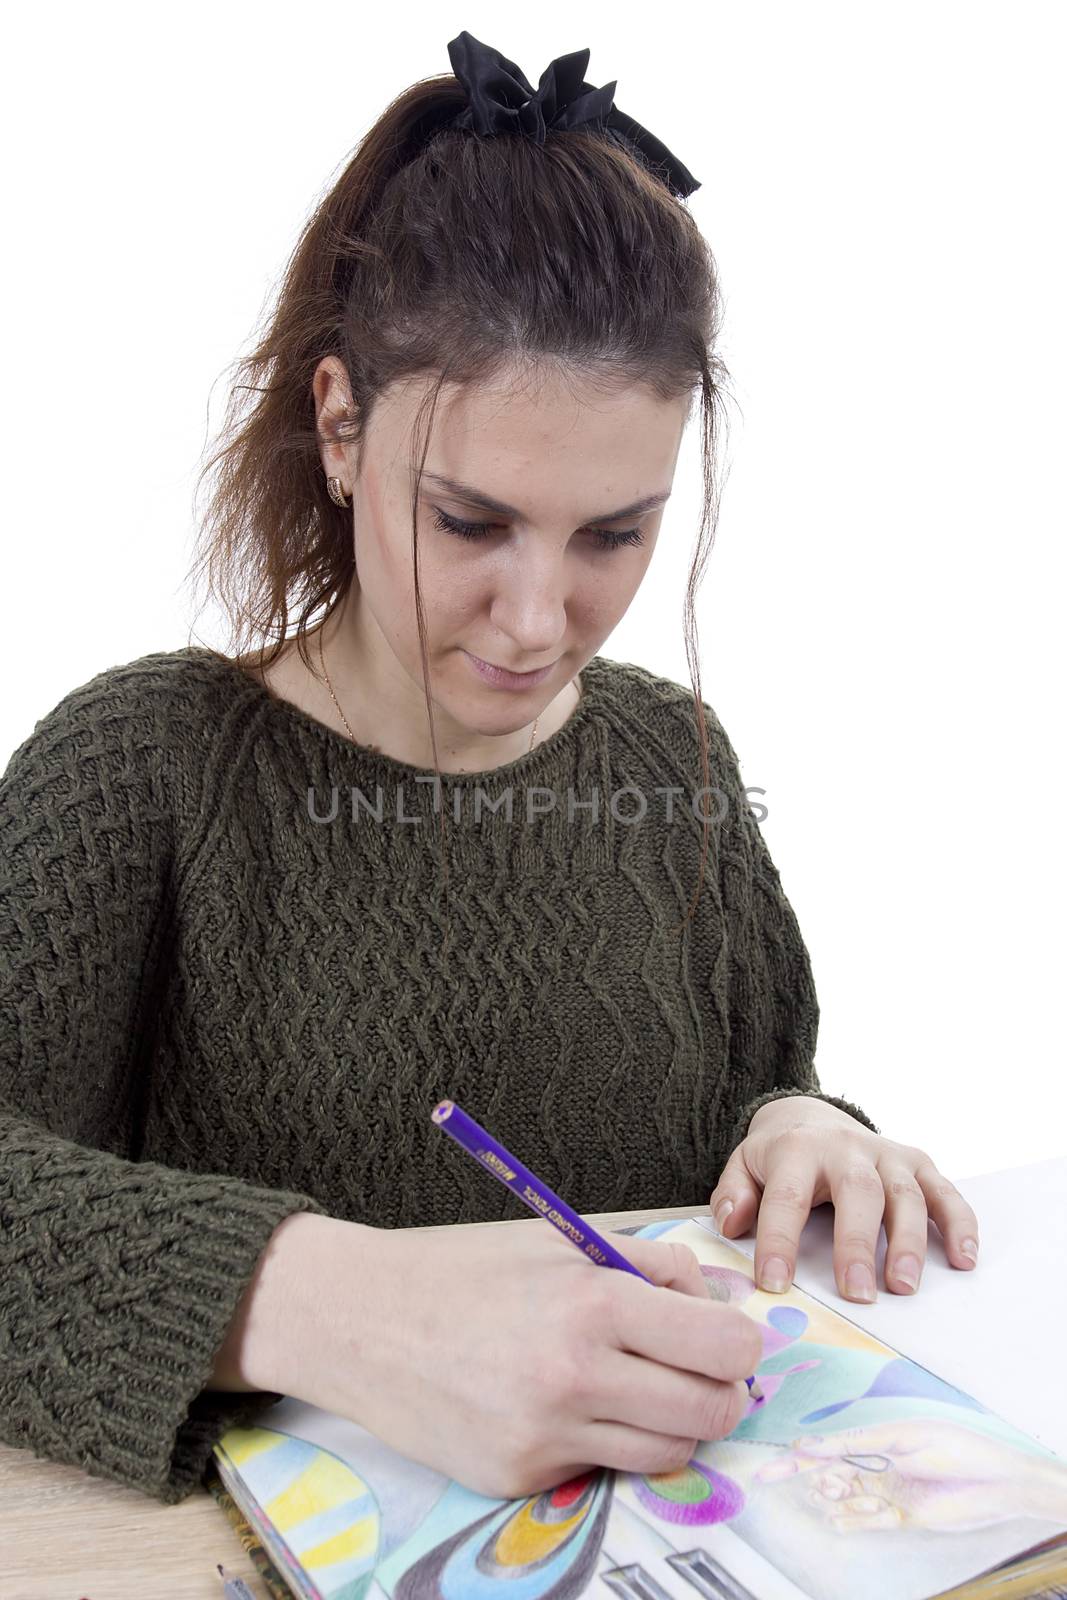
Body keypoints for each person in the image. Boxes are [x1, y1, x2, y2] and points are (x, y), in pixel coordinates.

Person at [0, 31, 979, 1508]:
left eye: (614, 535)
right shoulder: (149, 769)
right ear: (341, 425)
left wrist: (801, 1138)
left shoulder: (673, 759)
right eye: (469, 523)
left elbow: (761, 1084)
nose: (541, 622)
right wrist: (338, 1304)